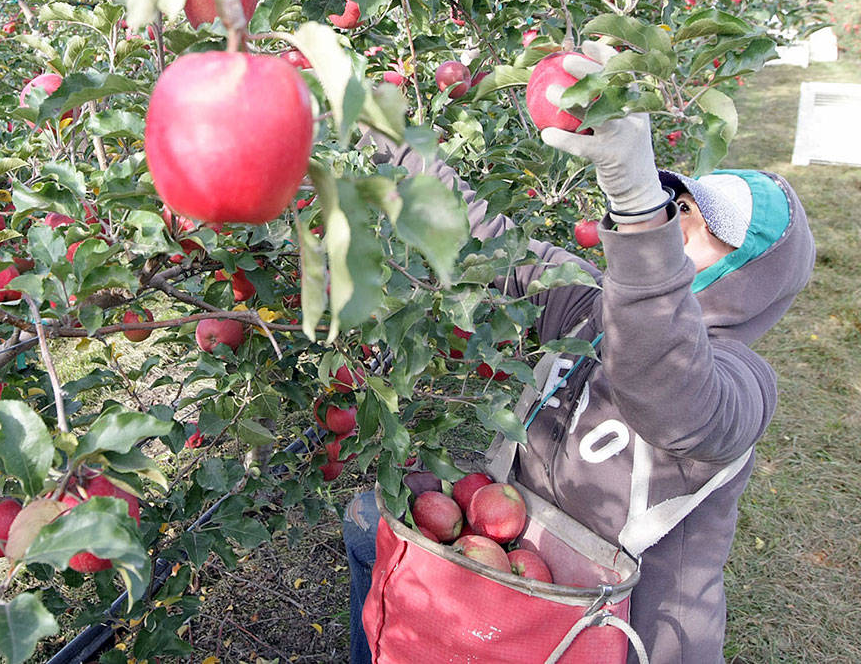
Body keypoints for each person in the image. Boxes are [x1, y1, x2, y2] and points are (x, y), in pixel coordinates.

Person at [343, 42, 816, 663]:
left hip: (614, 634)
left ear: (749, 280)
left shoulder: (740, 387)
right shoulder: (593, 306)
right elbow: (486, 241)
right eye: (676, 211)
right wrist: (387, 131)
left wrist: (642, 220)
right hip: (520, 571)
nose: (673, 232)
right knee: (366, 525)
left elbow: (663, 383)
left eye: (700, 234)